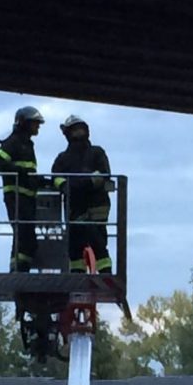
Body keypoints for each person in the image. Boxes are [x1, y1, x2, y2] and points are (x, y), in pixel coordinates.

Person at [51, 115, 113, 273]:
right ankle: (77, 276)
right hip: (75, 207)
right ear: (68, 133)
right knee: (75, 246)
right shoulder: (63, 158)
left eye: (80, 129)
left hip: (96, 205)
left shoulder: (97, 153)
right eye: (75, 130)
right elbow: (55, 177)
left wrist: (82, 184)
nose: (78, 133)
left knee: (98, 242)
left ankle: (105, 274)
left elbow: (104, 173)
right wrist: (65, 185)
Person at [0, 106, 47, 272]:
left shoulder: (26, 144)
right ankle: (18, 270)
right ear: (24, 123)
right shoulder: (13, 142)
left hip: (26, 199)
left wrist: (41, 181)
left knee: (26, 237)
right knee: (24, 236)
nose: (38, 127)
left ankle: (20, 269)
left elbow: (29, 174)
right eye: (35, 123)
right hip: (16, 197)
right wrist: (22, 173)